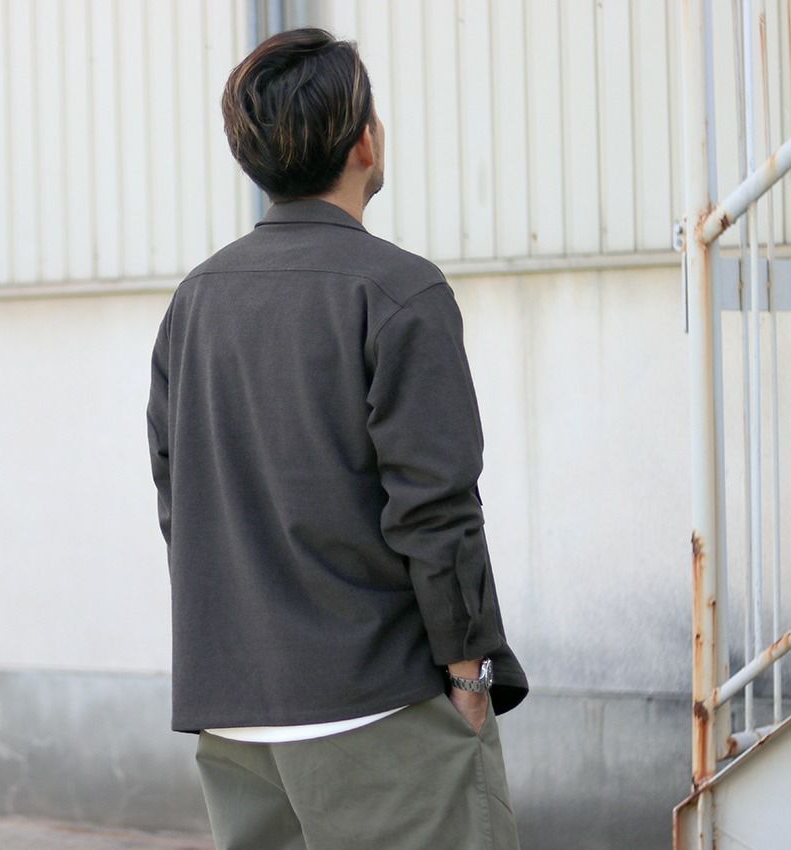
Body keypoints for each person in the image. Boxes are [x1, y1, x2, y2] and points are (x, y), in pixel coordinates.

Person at [146, 26, 528, 850]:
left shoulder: (195, 302)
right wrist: (471, 675)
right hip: (381, 708)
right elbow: (435, 508)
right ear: (364, 141)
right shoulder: (399, 291)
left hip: (237, 715)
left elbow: (179, 498)